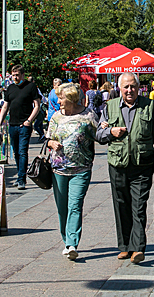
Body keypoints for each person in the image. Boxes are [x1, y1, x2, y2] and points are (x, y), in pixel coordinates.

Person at [96, 72, 154, 264]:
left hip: (142, 164)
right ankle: (125, 246)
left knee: (138, 206)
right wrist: (111, 132)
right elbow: (99, 135)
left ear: (139, 88)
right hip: (117, 164)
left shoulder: (148, 106)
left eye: (133, 86)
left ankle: (137, 248)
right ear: (119, 88)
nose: (130, 90)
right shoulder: (109, 107)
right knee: (121, 205)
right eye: (126, 87)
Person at [46, 83, 99, 261]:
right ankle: (65, 238)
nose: (58, 101)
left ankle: (72, 244)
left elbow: (98, 134)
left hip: (81, 168)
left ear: (71, 98)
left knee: (75, 205)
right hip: (59, 169)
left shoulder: (87, 115)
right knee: (62, 209)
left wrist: (107, 127)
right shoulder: (56, 117)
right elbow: (48, 138)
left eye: (61, 98)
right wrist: (51, 143)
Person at [0, 65, 41, 190]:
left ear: (22, 75)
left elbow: (37, 105)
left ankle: (22, 178)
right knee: (15, 152)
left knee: (22, 152)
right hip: (12, 124)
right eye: (13, 75)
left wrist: (29, 120)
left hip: (24, 125)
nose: (15, 77)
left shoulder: (30, 87)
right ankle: (19, 175)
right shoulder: (10, 88)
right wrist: (0, 124)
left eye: (17, 75)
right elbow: (5, 106)